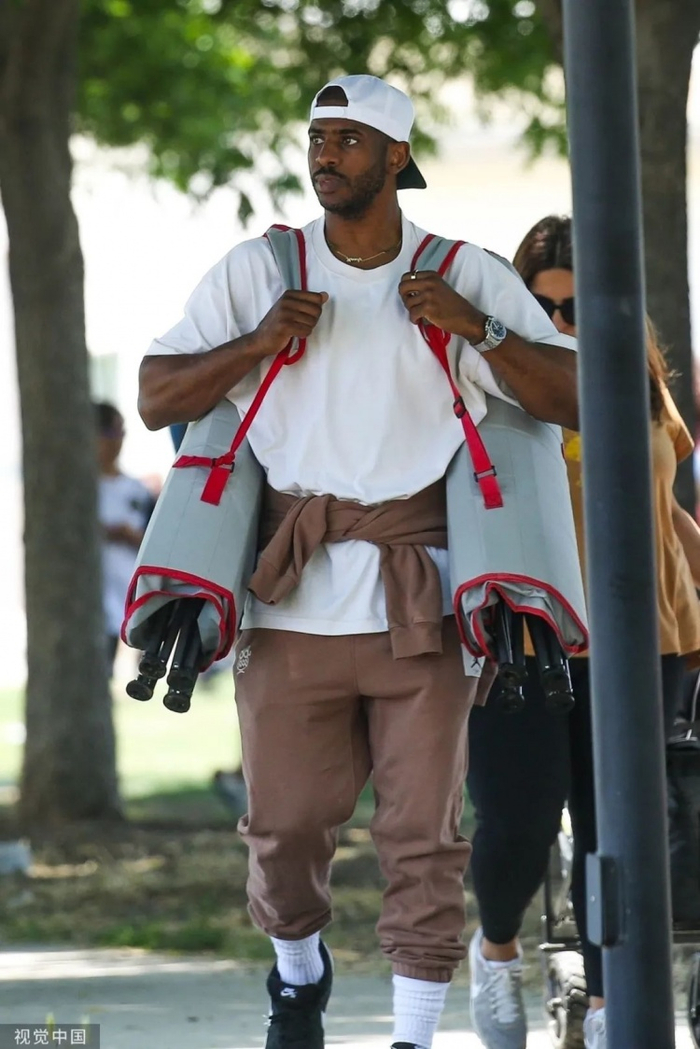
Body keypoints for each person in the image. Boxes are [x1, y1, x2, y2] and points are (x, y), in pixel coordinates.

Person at [137, 77, 578, 1049]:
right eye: (317, 138)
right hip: (289, 595)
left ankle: (412, 1034)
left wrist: (476, 328)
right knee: (286, 826)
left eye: (348, 139)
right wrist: (258, 342)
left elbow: (572, 397)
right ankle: (298, 974)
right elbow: (157, 395)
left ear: (396, 158)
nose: (325, 155)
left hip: (422, 597)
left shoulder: (460, 271)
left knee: (423, 834)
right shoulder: (264, 268)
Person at [465, 215, 700, 1049]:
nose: (561, 322)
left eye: (576, 306)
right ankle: (496, 948)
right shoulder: (493, 380)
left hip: (643, 642)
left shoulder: (640, 380)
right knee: (519, 825)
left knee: (622, 834)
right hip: (527, 639)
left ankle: (609, 1008)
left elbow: (667, 509)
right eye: (543, 305)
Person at [95, 401, 154, 675]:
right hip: (96, 592)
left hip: (129, 588)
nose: (117, 441)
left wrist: (130, 536)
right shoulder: (81, 490)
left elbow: (154, 540)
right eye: (111, 433)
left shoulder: (137, 490)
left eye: (122, 432)